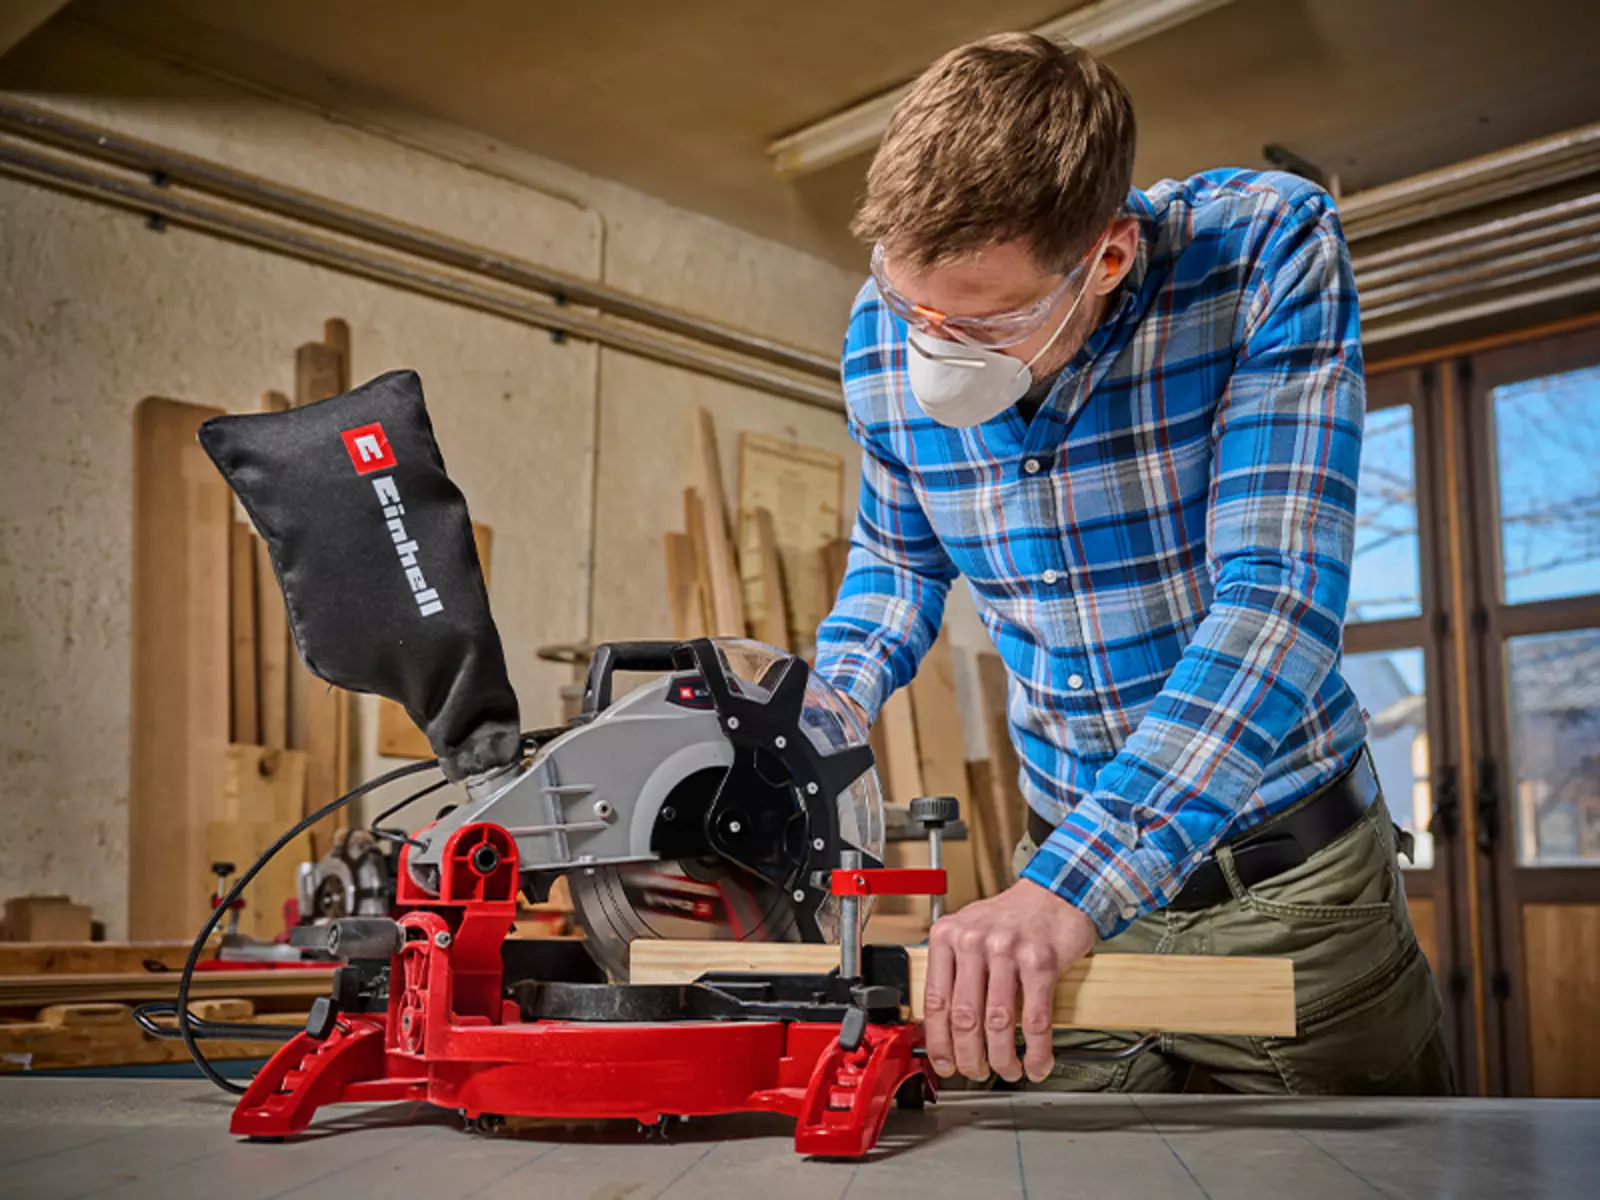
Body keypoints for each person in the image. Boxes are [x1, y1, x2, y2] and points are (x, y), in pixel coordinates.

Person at [813, 32, 1453, 1095]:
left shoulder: (1261, 251)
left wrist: (1068, 887)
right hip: (1058, 884)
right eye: (908, 305)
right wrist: (803, 734)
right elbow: (895, 562)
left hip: (1281, 892)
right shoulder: (884, 331)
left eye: (981, 323)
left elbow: (1275, 599)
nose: (929, 354)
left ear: (1104, 258)